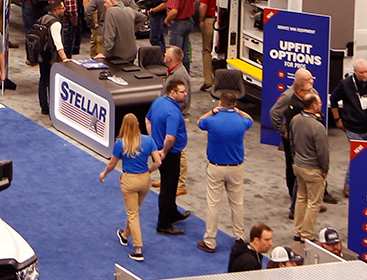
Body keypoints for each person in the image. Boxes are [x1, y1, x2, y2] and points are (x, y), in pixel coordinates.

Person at [99, 111, 163, 261]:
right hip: (145, 180)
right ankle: (125, 235)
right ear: (138, 125)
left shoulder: (120, 144)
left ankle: (138, 249)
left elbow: (112, 164)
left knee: (133, 214)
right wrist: (148, 171)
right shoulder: (148, 140)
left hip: (129, 181)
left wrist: (104, 173)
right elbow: (158, 162)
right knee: (135, 210)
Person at [196, 87, 252, 253]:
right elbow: (249, 118)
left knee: (213, 205)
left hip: (215, 167)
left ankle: (210, 240)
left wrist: (213, 111)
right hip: (236, 168)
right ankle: (239, 237)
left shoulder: (212, 120)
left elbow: (199, 121)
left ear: (220, 103)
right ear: (234, 104)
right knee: (237, 204)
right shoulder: (241, 121)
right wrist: (238, 111)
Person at [332, 59, 367, 196]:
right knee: (358, 154)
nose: (365, 75)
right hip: (353, 127)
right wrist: (337, 119)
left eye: (366, 71)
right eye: (361, 72)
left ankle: (362, 182)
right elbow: (333, 100)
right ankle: (348, 185)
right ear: (355, 72)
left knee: (365, 154)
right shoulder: (345, 84)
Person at [270, 66, 323, 201]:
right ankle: (293, 194)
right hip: (293, 139)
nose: (312, 82)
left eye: (311, 79)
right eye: (308, 80)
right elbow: (274, 113)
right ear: (299, 84)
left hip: (307, 138)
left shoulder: (313, 92)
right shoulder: (288, 96)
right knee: (292, 165)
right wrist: (283, 131)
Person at [149, 80, 191, 235]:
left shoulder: (158, 102)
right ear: (173, 92)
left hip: (160, 150)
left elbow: (148, 120)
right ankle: (163, 224)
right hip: (170, 154)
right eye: (182, 92)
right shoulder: (173, 112)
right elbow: (171, 138)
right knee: (168, 187)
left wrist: (154, 142)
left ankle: (172, 212)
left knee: (171, 185)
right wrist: (164, 151)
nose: (185, 94)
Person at [289, 92, 330, 242]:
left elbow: (292, 142)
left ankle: (298, 231)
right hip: (313, 169)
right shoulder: (317, 126)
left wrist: (295, 160)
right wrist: (325, 169)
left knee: (301, 198)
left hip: (298, 166)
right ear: (314, 107)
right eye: (319, 103)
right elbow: (323, 152)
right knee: (314, 203)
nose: (320, 105)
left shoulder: (295, 120)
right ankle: (306, 235)